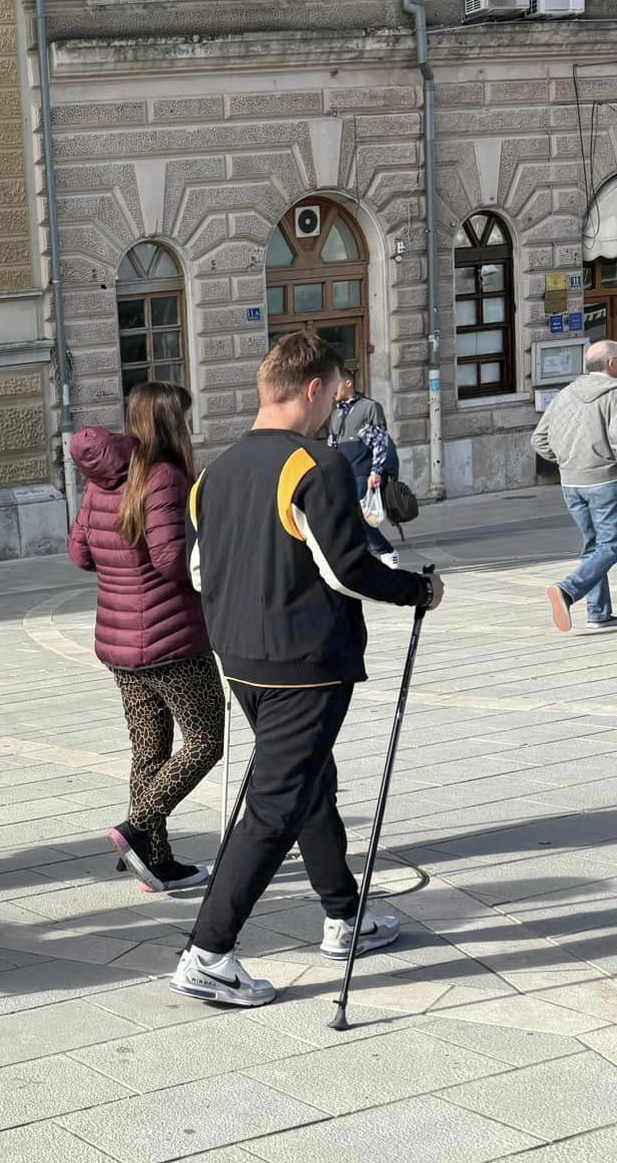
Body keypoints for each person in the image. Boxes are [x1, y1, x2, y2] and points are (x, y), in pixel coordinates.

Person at [181, 333, 442, 1007]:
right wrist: (418, 590)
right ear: (312, 390)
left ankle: (343, 914)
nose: (329, 408)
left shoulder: (215, 471)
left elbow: (200, 570)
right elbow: (346, 569)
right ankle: (208, 953)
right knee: (277, 802)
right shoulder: (315, 464)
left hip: (240, 655)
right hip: (305, 659)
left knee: (308, 781)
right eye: (329, 395)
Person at [67, 383, 223, 895]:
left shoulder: (102, 482)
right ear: (172, 423)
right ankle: (137, 830)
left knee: (149, 749)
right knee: (205, 742)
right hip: (171, 638)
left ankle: (154, 862)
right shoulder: (164, 476)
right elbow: (170, 561)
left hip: (118, 642)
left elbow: (80, 554)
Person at [531, 338, 617, 632]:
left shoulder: (565, 393)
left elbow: (539, 440)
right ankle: (568, 590)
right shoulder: (614, 394)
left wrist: (568, 461)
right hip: (605, 481)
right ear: (612, 364)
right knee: (612, 545)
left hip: (571, 484)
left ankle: (599, 613)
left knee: (593, 546)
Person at [336, 420, 400, 567]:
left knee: (360, 514)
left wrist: (386, 475)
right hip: (349, 476)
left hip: (365, 477)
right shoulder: (339, 426)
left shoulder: (364, 424)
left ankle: (385, 550)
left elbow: (386, 449)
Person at [327, 362, 387, 445]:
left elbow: (380, 442)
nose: (333, 389)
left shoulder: (370, 406)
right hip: (342, 458)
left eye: (336, 384)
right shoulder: (335, 412)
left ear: (348, 383)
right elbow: (332, 443)